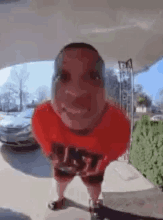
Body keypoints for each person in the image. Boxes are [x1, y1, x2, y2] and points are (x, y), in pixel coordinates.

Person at [32, 42, 130, 218]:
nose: (76, 91)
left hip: (93, 169)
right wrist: (52, 156)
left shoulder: (118, 122)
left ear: (105, 89)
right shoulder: (42, 117)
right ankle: (60, 198)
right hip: (63, 166)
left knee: (94, 188)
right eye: (63, 76)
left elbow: (119, 146)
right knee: (60, 183)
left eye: (93, 76)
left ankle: (94, 202)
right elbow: (42, 139)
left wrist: (102, 163)